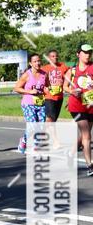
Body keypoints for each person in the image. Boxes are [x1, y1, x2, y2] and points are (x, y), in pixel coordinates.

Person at [64, 43, 93, 175]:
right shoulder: (72, 70)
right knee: (87, 134)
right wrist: (72, 91)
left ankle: (70, 152)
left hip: (90, 105)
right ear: (78, 54)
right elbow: (64, 86)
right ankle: (90, 165)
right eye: (84, 52)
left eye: (89, 53)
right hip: (76, 105)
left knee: (84, 135)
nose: (87, 55)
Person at [14, 53, 48, 154]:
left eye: (39, 61)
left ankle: (30, 143)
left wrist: (47, 90)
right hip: (28, 103)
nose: (37, 63)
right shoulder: (26, 75)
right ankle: (27, 143)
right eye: (35, 61)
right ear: (30, 63)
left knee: (41, 126)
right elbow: (16, 88)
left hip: (41, 103)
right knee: (32, 125)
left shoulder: (44, 74)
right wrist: (30, 92)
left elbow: (46, 86)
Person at [42, 49, 69, 124]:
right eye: (53, 56)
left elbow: (70, 76)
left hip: (59, 97)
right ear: (49, 58)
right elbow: (39, 81)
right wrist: (44, 88)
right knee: (50, 119)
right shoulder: (44, 69)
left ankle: (45, 133)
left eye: (56, 56)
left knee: (54, 119)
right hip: (49, 97)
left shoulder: (63, 67)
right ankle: (51, 134)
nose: (55, 58)